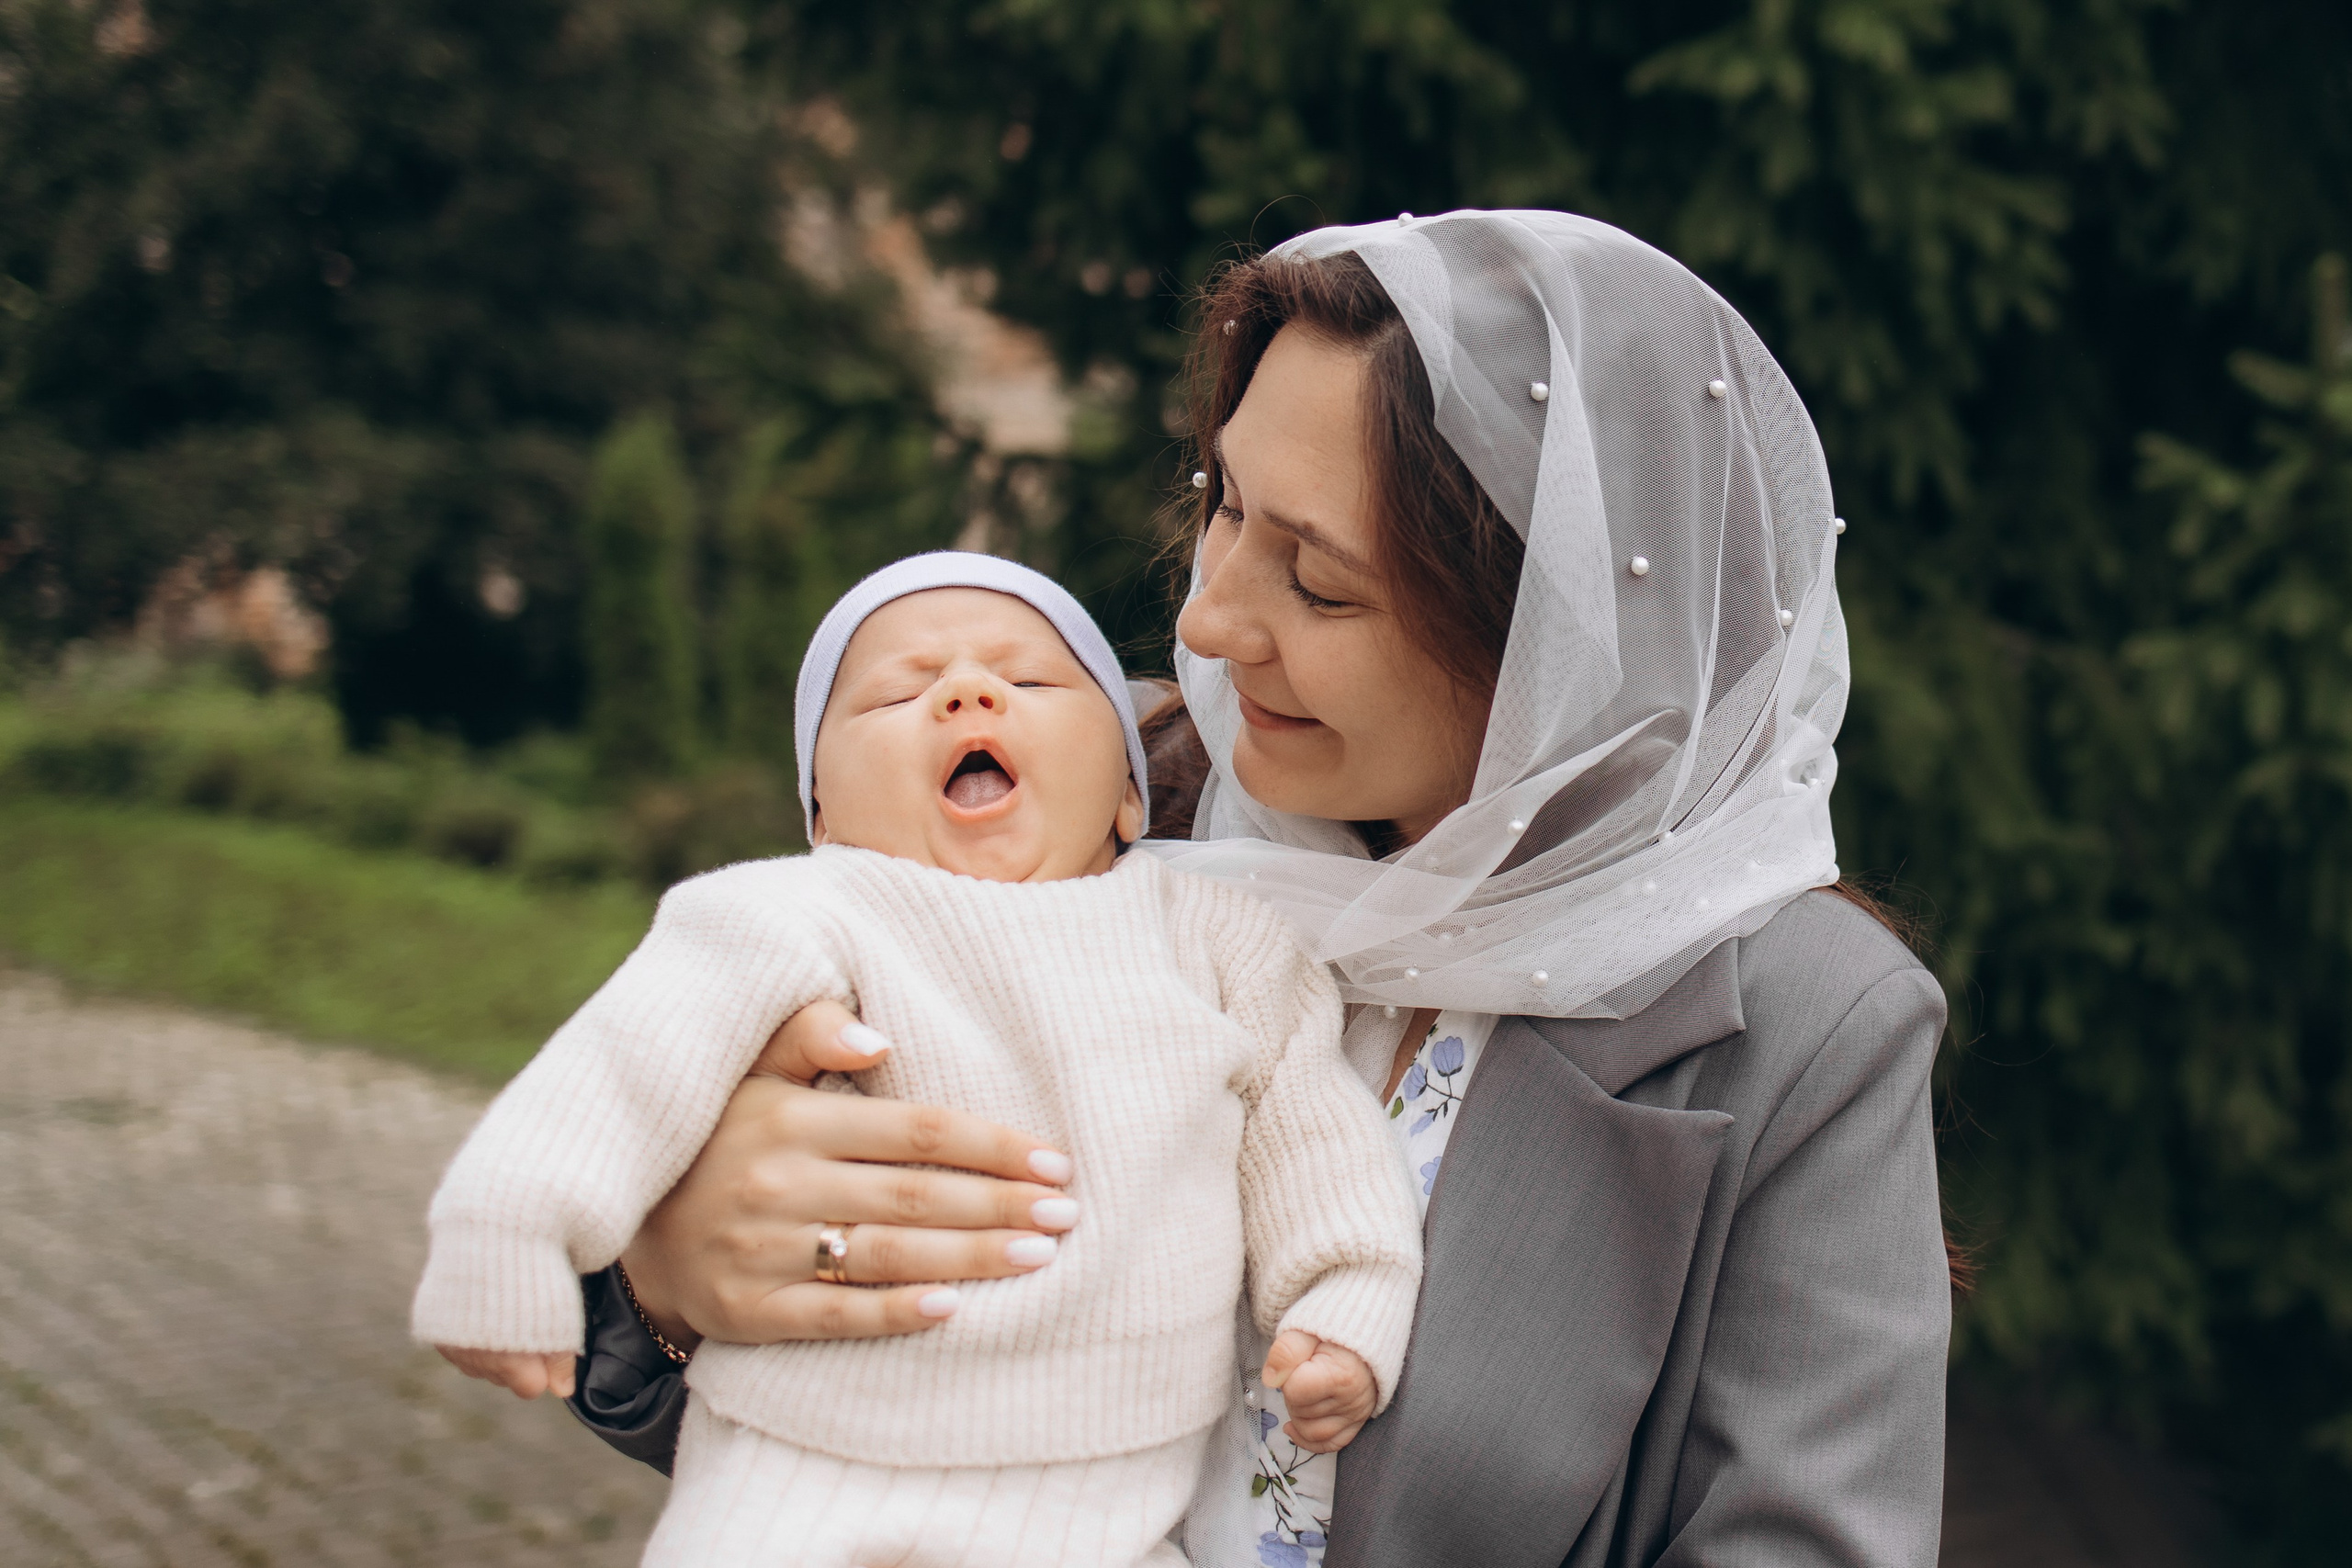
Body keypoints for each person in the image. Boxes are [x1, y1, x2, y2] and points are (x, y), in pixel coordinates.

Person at [570, 210, 1952, 1568]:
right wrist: (678, 1274)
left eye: (1322, 583)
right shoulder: (1110, 788)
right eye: (1224, 503)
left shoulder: (1802, 1033)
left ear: (1559, 643)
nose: (1209, 619)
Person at [415, 553, 1423, 1568]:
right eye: (899, 691)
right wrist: (509, 1226)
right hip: (805, 1467)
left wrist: (1344, 1305)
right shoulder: (795, 915)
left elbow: (1312, 1139)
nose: (966, 691)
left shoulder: (1220, 940)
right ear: (821, 818)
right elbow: (627, 1063)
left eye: (1027, 680)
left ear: (1129, 796)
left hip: (1111, 1501)